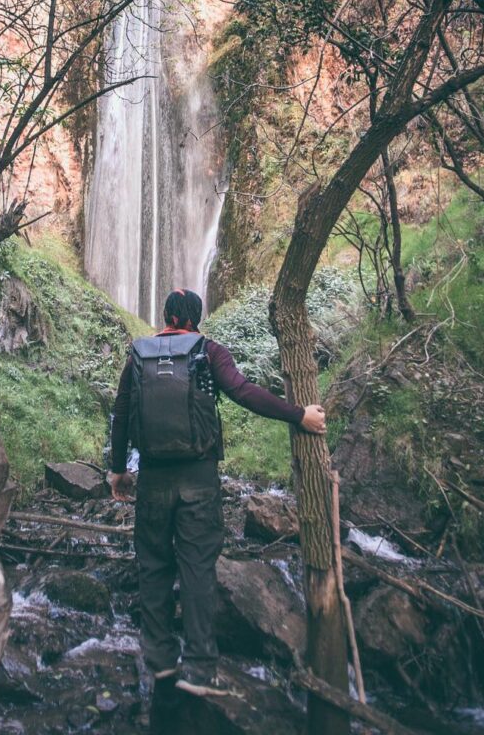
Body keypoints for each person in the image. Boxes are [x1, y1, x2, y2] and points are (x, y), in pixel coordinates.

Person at [110, 288, 325, 697]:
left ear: (167, 315)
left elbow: (121, 412)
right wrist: (299, 415)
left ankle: (158, 663)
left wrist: (118, 470)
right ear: (197, 318)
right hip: (198, 479)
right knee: (197, 568)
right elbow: (243, 392)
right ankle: (199, 669)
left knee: (153, 568)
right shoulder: (208, 351)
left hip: (152, 478)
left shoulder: (139, 353)